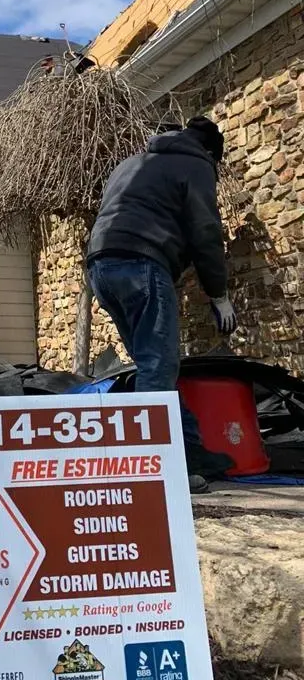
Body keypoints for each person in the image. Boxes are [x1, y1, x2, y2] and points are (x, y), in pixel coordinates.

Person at [86, 116, 236, 493]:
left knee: (154, 366)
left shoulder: (130, 164)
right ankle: (158, 471)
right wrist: (219, 294)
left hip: (101, 269)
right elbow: (205, 230)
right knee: (158, 365)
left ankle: (191, 452)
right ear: (210, 151)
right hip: (142, 263)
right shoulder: (196, 162)